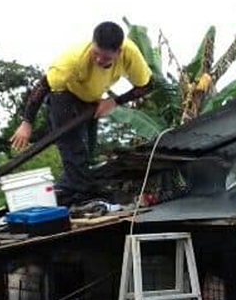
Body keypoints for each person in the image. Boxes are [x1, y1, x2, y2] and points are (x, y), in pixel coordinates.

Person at [10, 21, 152, 205]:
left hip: (89, 101)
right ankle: (81, 194)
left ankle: (72, 191)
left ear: (118, 52)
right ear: (92, 44)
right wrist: (27, 122)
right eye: (96, 54)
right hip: (63, 97)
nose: (99, 60)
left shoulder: (131, 55)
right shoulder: (73, 58)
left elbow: (146, 86)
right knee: (73, 149)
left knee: (87, 153)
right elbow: (43, 85)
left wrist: (114, 101)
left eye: (106, 58)